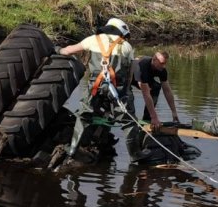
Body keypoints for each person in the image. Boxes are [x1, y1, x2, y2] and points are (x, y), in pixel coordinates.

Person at [60, 17, 151, 162]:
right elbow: (131, 73)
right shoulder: (126, 46)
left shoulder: (93, 39)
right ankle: (135, 155)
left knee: (84, 115)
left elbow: (69, 50)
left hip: (95, 87)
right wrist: (127, 92)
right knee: (129, 121)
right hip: (117, 89)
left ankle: (72, 149)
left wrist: (57, 50)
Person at [131, 51, 179, 129]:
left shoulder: (162, 70)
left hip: (144, 79)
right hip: (129, 77)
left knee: (156, 87)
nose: (164, 66)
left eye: (165, 63)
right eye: (162, 63)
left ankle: (147, 119)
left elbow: (167, 91)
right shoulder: (143, 65)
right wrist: (155, 117)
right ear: (154, 59)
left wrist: (174, 112)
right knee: (129, 95)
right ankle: (131, 117)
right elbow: (146, 94)